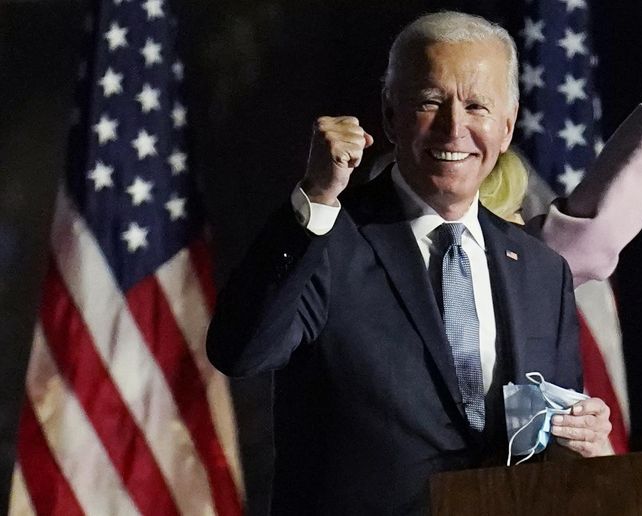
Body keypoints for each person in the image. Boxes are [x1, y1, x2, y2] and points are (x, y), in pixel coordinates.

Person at [207, 12, 612, 515]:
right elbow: (240, 352)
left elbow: (549, 443)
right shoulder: (327, 239)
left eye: (477, 106)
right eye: (430, 102)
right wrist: (317, 196)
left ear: (506, 127)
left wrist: (580, 439)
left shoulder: (541, 270)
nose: (454, 128)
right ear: (390, 114)